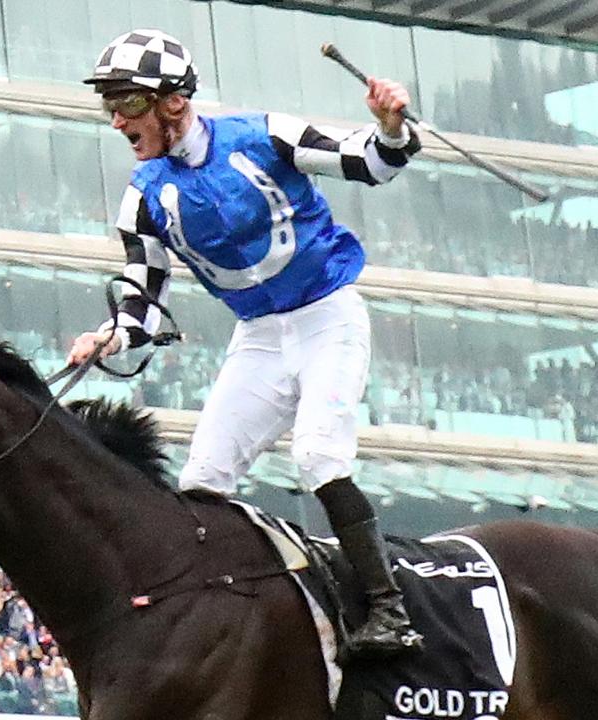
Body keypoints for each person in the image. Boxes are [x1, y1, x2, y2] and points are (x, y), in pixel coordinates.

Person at [68, 28, 423, 657]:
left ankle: (388, 609)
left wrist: (390, 127)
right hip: (259, 336)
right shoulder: (143, 196)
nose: (116, 118)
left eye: (126, 103)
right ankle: (212, 618)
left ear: (172, 102)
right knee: (201, 480)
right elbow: (144, 300)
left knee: (317, 455)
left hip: (328, 318)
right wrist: (112, 336)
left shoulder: (265, 134)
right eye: (111, 106)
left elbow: (368, 163)